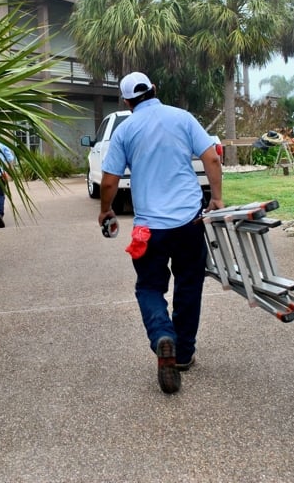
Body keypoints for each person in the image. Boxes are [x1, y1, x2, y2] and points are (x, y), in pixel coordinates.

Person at [98, 72, 224, 394]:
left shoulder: (125, 130)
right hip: (189, 223)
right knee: (188, 285)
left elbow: (110, 181)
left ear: (126, 101)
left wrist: (106, 210)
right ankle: (182, 355)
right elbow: (211, 155)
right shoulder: (182, 118)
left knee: (150, 288)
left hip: (149, 229)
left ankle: (161, 336)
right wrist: (217, 198)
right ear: (155, 89)